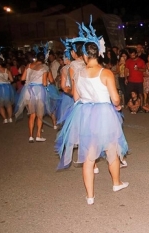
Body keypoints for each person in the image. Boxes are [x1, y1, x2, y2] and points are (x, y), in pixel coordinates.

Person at [55, 41, 129, 205]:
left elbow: (76, 98)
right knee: (112, 150)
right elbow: (115, 98)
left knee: (88, 156)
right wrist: (117, 105)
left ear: (84, 56)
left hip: (86, 113)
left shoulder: (78, 73)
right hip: (104, 113)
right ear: (98, 53)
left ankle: (90, 196)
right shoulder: (106, 72)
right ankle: (116, 183)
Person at [15, 51, 55, 142]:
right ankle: (38, 135)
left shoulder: (28, 65)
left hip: (28, 91)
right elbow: (44, 83)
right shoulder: (44, 67)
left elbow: (22, 79)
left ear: (36, 58)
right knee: (39, 114)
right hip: (39, 91)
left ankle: (30, 136)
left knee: (32, 114)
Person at [0, 55, 15, 123]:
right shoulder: (7, 70)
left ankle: (5, 119)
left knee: (0, 105)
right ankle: (10, 118)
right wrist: (6, 81)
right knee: (8, 104)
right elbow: (12, 80)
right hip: (7, 87)